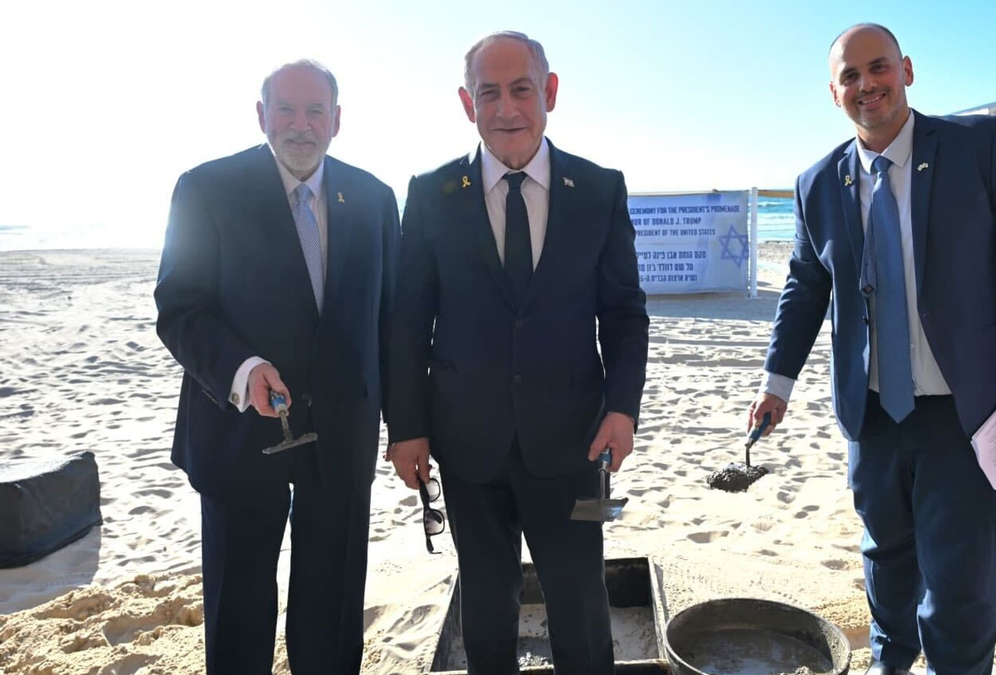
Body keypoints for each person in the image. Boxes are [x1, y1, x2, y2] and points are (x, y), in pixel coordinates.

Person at [748, 24, 996, 675]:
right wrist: (775, 385)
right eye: (851, 76)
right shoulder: (818, 184)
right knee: (886, 565)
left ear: (908, 70)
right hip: (874, 418)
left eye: (879, 68)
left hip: (972, 413)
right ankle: (890, 663)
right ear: (834, 91)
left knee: (962, 586)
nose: (867, 85)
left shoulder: (983, 149)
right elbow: (806, 287)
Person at [385, 31, 649, 675]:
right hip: (465, 441)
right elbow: (405, 323)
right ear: (466, 102)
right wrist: (408, 428)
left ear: (550, 92)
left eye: (521, 89)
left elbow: (623, 313)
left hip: (572, 442)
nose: (506, 109)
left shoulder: (600, 189)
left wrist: (623, 408)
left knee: (579, 600)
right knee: (485, 599)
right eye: (489, 93)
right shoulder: (429, 194)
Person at [154, 59, 399, 674]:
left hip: (342, 440)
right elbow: (180, 308)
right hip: (238, 435)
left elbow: (393, 321)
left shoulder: (373, 198)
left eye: (316, 111)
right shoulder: (205, 188)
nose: (300, 124)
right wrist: (243, 369)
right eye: (286, 109)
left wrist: (410, 425)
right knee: (238, 614)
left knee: (334, 611)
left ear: (337, 122)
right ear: (261, 115)